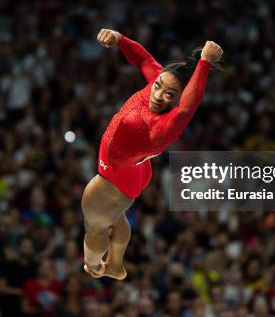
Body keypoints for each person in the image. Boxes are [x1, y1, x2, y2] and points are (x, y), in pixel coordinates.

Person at [81, 29, 223, 280]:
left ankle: (92, 266)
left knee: (94, 226)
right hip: (131, 170)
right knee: (115, 217)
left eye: (169, 95)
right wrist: (121, 40)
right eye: (158, 86)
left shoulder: (163, 126)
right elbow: (145, 60)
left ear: (179, 98)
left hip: (114, 177)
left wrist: (204, 64)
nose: (157, 96)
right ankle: (115, 265)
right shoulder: (160, 82)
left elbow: (188, 106)